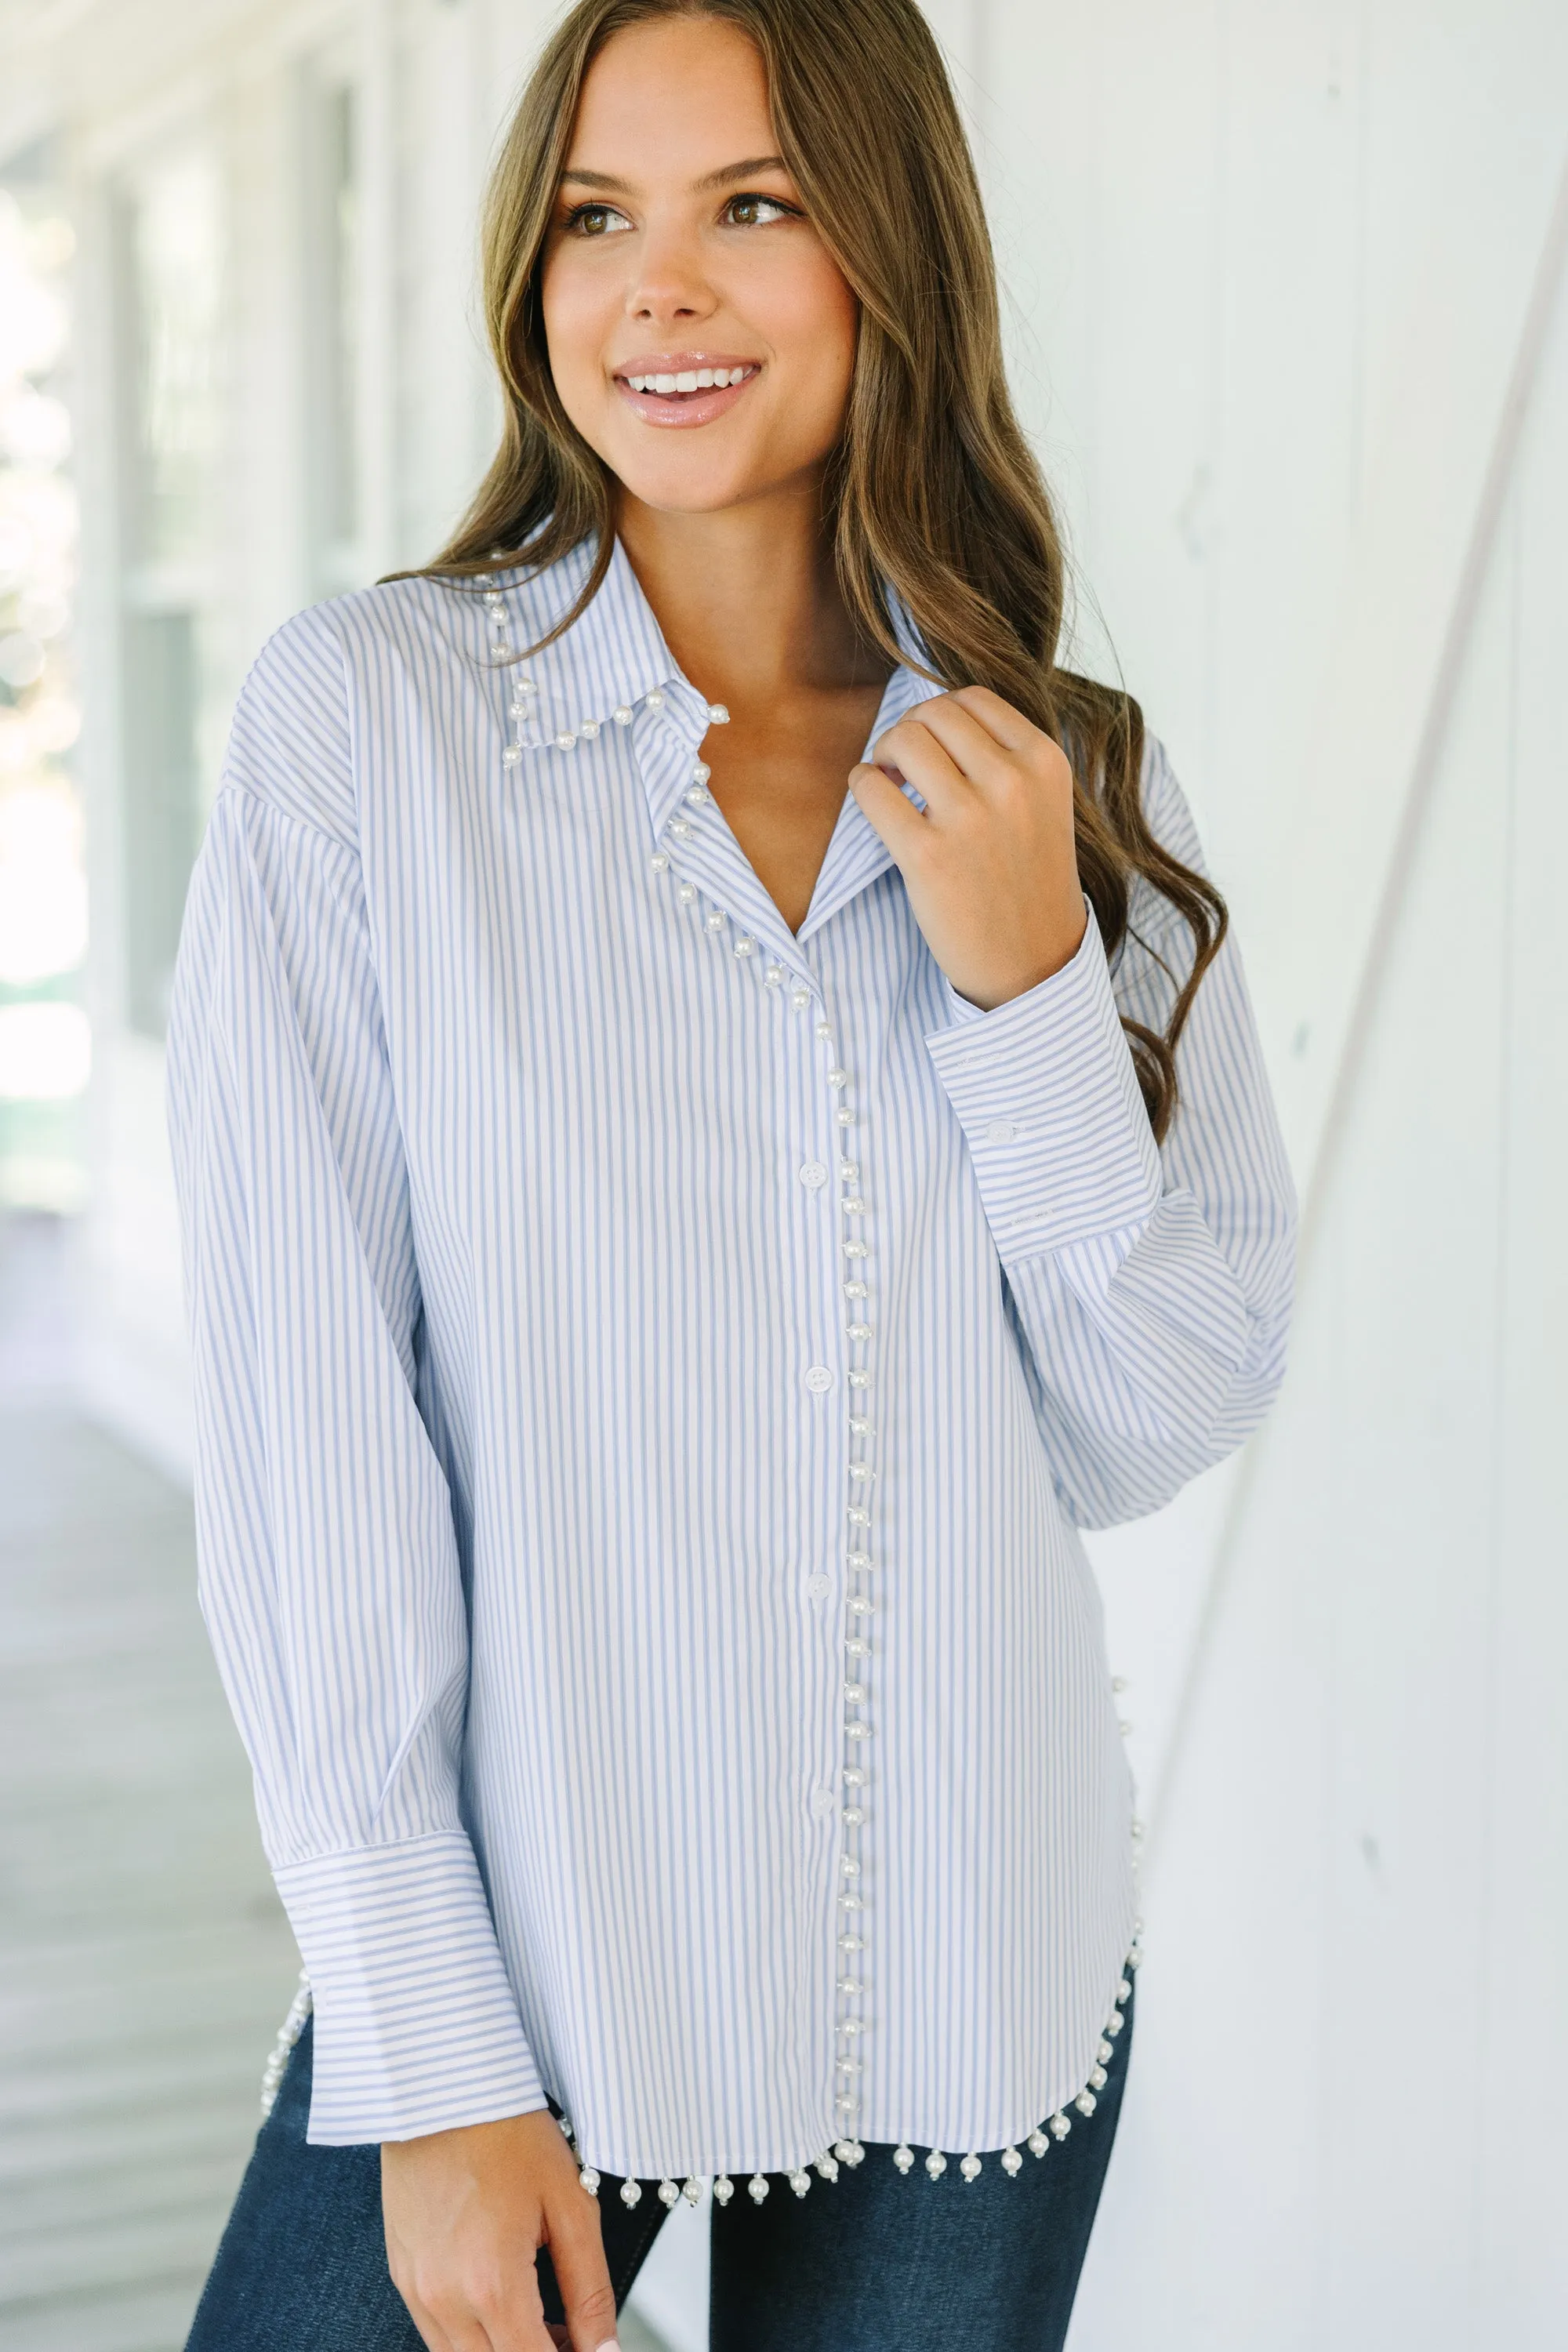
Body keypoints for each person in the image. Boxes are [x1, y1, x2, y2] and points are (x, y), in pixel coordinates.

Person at [167, 1, 1296, 2345]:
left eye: (752, 208)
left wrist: (1028, 996)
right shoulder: (367, 735)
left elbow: (1147, 1415)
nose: (656, 291)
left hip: (967, 1958)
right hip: (531, 1963)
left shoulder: (1063, 779)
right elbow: (307, 1439)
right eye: (599, 219)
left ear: (893, 252)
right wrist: (425, 2046)